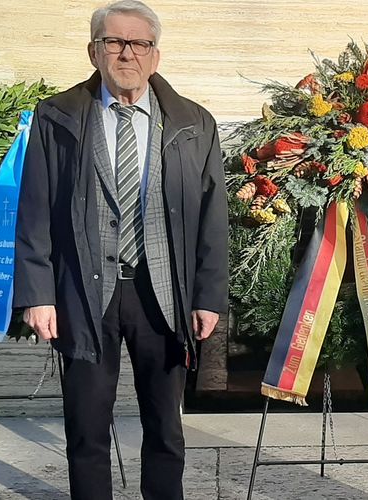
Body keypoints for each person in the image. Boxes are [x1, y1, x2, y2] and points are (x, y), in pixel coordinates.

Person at [13, 1, 228, 498]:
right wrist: (38, 294)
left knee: (165, 430)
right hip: (85, 296)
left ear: (156, 56)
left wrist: (209, 295)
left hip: (163, 295)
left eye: (139, 43)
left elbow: (213, 218)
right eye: (114, 42)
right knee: (86, 428)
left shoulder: (194, 123)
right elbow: (35, 210)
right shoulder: (56, 117)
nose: (126, 53)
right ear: (94, 51)